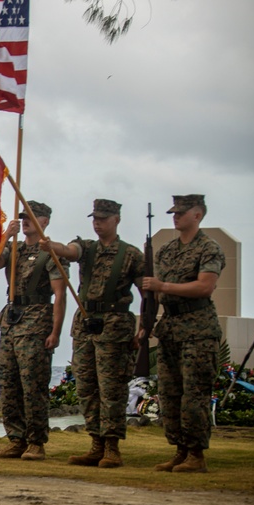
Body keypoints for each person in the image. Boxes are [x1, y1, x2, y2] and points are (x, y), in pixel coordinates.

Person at [39, 199, 145, 468]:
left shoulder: (131, 255)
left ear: (116, 220)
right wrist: (53, 247)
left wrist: (144, 328)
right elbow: (70, 251)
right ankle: (96, 443)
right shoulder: (87, 248)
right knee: (86, 386)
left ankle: (112, 446)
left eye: (103, 219)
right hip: (86, 323)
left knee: (112, 388)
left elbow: (148, 293)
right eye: (95, 218)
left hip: (115, 324)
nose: (97, 223)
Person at [142, 194, 224, 473]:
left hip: (198, 328)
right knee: (170, 393)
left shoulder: (208, 249)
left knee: (195, 394)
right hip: (171, 329)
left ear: (197, 215)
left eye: (181, 213)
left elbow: (204, 287)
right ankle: (179, 450)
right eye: (173, 213)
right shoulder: (165, 251)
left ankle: (196, 454)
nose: (175, 217)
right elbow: (152, 292)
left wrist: (162, 286)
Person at [0, 200, 68, 462]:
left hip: (36, 319)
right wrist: (4, 237)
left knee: (32, 384)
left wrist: (55, 332)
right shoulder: (14, 249)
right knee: (8, 384)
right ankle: (16, 439)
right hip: (12, 319)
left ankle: (36, 441)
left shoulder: (51, 253)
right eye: (23, 217)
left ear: (45, 221)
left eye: (31, 217)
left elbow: (59, 294)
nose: (25, 221)